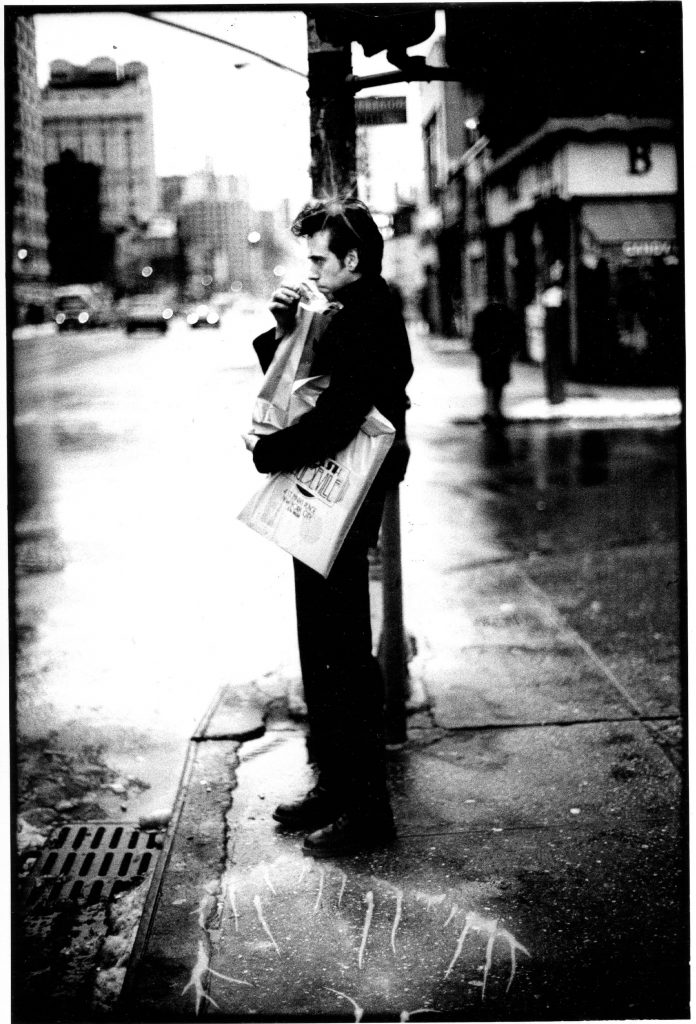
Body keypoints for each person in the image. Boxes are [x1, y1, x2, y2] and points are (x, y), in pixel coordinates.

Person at [249, 198, 413, 858]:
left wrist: (272, 452)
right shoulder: (337, 306)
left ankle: (368, 808)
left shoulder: (372, 310)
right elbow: (295, 380)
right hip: (325, 490)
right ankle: (337, 785)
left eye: (319, 259)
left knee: (342, 650)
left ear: (353, 258)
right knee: (321, 642)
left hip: (346, 488)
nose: (310, 269)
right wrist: (286, 324)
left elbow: (341, 410)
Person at [470, 294, 523, 425]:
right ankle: (496, 411)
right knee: (498, 384)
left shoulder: (482, 315)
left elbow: (476, 337)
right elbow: (515, 333)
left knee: (489, 384)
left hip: (488, 355)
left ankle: (490, 411)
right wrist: (512, 349)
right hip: (501, 355)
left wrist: (479, 350)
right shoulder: (507, 314)